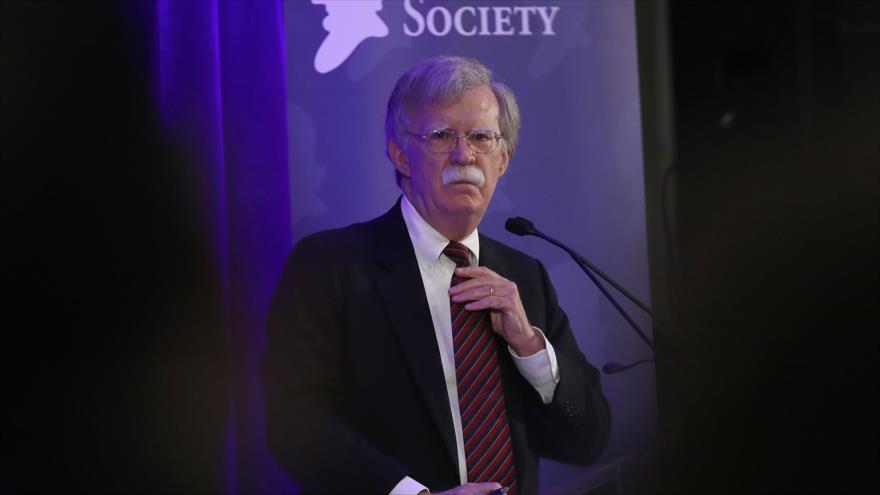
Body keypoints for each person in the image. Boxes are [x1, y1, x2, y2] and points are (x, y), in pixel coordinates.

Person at [261, 55, 610, 495]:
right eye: (442, 136)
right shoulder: (332, 266)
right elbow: (294, 422)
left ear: (502, 160)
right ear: (399, 154)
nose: (465, 154)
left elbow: (587, 441)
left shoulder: (526, 277)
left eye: (482, 137)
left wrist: (530, 348)